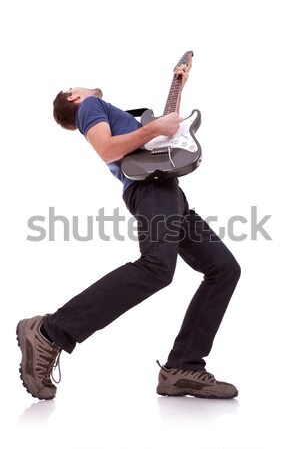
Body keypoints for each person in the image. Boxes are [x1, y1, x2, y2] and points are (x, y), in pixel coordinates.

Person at [17, 60, 241, 401]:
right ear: (73, 96)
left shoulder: (117, 117)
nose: (86, 84)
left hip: (168, 192)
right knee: (157, 267)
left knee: (223, 268)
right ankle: (50, 332)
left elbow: (166, 131)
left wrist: (177, 84)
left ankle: (184, 366)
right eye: (79, 85)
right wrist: (153, 130)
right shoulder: (89, 106)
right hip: (151, 190)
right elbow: (106, 148)